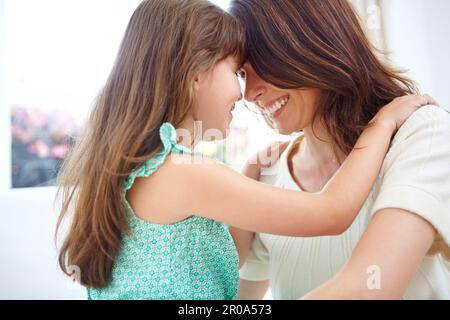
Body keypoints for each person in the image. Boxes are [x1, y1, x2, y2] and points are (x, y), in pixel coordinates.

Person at [55, 0, 433, 300]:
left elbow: (215, 273)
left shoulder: (150, 173)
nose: (245, 93)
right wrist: (381, 125)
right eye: (236, 71)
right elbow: (332, 211)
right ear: (195, 74)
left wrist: (251, 175)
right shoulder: (187, 173)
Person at [230, 0, 450, 299]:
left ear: (312, 41)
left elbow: (369, 289)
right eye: (242, 73)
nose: (249, 93)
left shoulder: (421, 132)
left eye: (263, 62)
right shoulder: (265, 173)